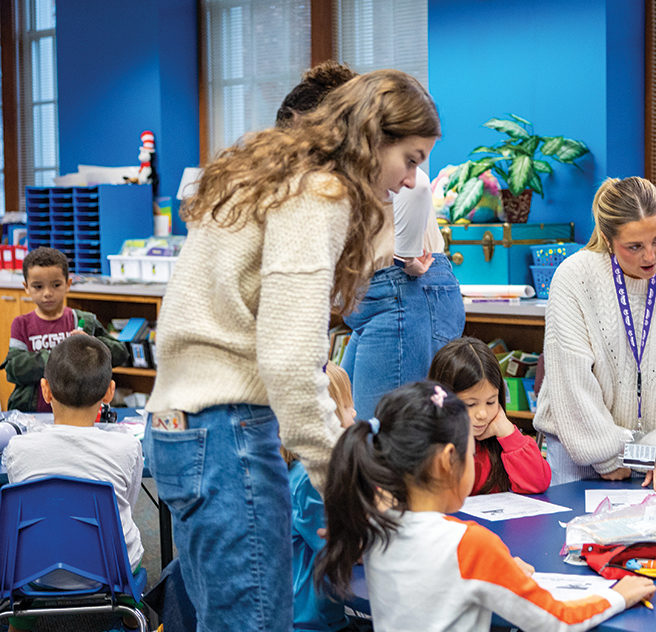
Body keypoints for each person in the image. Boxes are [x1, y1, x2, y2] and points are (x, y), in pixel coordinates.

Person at [144, 68, 440, 632]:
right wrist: (344, 489)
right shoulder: (319, 192)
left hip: (179, 431)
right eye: (411, 158)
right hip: (228, 430)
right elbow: (291, 364)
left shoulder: (268, 178)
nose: (410, 181)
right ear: (372, 140)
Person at [317, 381, 656, 632]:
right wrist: (619, 596)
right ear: (447, 461)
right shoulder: (470, 546)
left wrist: (500, 567)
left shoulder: (375, 525)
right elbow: (555, 621)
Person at [277, 60, 465, 419]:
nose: (410, 177)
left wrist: (406, 256)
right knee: (349, 416)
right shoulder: (342, 179)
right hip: (383, 296)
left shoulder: (381, 167)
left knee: (378, 431)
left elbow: (420, 185)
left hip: (400, 289)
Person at [534, 176, 656, 491]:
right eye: (634, 246)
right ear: (608, 239)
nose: (650, 256)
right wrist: (604, 456)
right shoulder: (574, 277)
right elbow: (571, 379)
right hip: (579, 455)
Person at [3, 335, 144, 631]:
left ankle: (19, 624)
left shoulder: (17, 448)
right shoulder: (127, 447)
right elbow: (127, 504)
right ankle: (130, 620)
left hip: (34, 574)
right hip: (111, 575)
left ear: (45, 390)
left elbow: (24, 510)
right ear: (109, 393)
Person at [3, 246, 128, 412]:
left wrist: (92, 345)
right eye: (38, 287)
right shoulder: (21, 324)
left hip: (78, 414)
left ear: (68, 284)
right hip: (33, 413)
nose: (47, 293)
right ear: (26, 287)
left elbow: (121, 353)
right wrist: (56, 357)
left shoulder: (84, 320)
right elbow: (13, 369)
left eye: (56, 285)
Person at [287, 362, 359, 632]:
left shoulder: (299, 467)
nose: (354, 414)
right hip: (310, 622)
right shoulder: (309, 479)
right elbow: (338, 550)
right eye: (348, 406)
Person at [428, 336, 550, 495]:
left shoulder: (499, 440)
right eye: (470, 404)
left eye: (491, 402)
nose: (482, 414)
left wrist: (508, 433)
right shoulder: (429, 447)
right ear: (442, 400)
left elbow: (538, 483)